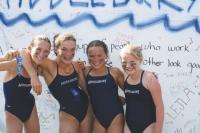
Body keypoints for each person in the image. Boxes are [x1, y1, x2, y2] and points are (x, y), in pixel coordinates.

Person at [21, 32, 93, 133]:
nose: (68, 54)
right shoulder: (49, 65)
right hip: (68, 115)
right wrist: (33, 76)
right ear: (55, 49)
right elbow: (22, 53)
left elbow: (86, 90)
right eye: (64, 49)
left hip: (87, 113)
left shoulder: (76, 65)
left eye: (72, 50)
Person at [0, 35, 51, 133]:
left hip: (30, 106)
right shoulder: (17, 65)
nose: (41, 54)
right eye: (38, 49)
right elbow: (22, 53)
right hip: (13, 111)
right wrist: (4, 58)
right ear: (30, 48)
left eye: (46, 52)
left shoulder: (38, 67)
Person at [120, 45, 164, 133]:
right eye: (124, 62)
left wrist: (158, 131)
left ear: (140, 60)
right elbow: (134, 99)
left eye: (132, 62)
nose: (128, 65)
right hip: (129, 125)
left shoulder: (149, 78)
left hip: (148, 125)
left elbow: (159, 106)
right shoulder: (124, 77)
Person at [85, 40, 124, 133]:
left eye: (99, 55)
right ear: (87, 57)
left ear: (106, 55)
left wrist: (145, 76)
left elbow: (131, 89)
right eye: (91, 56)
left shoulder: (115, 72)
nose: (95, 59)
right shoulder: (85, 72)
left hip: (116, 117)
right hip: (98, 118)